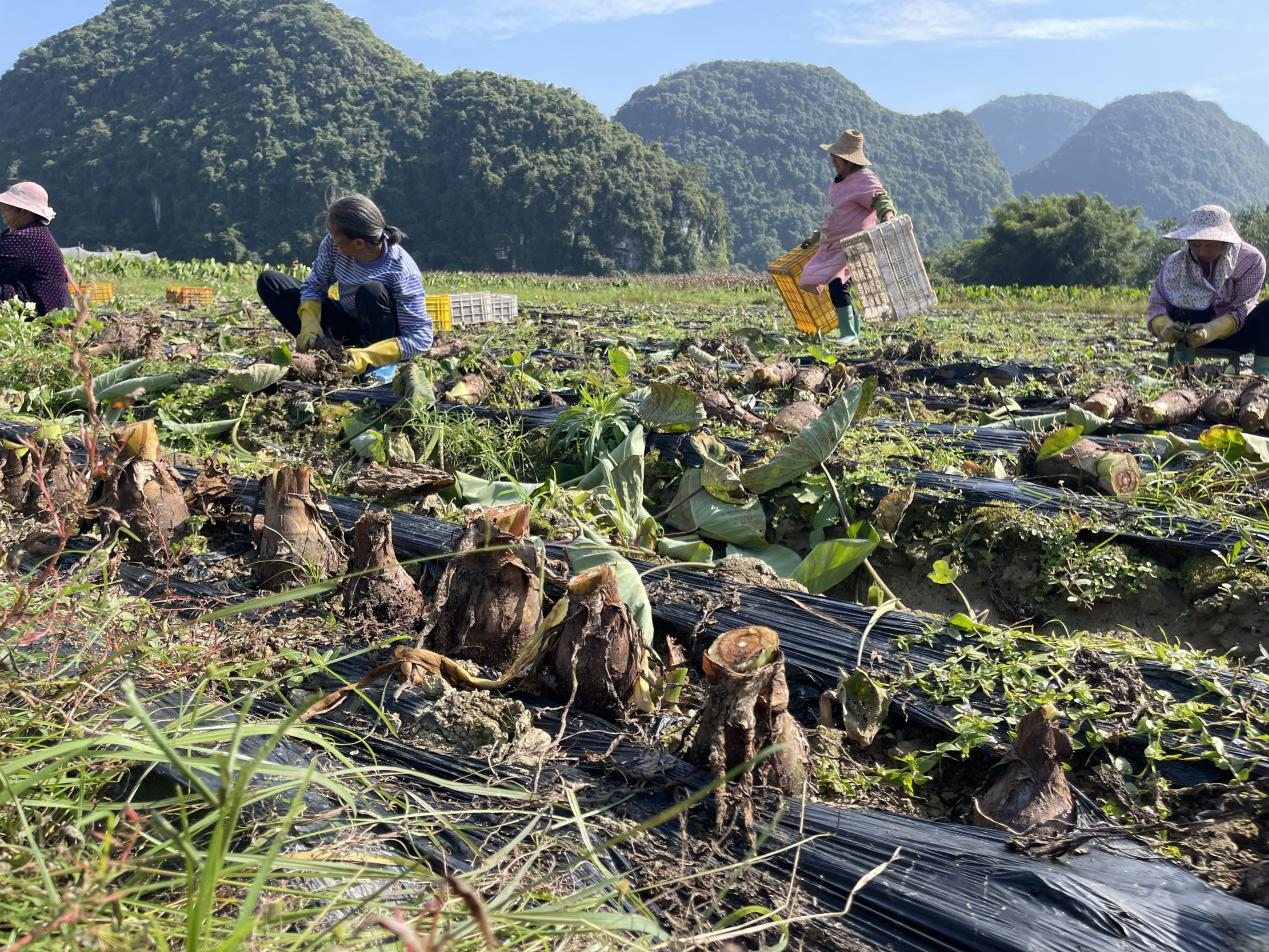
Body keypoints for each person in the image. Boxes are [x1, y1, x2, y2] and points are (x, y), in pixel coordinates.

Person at [257, 194, 431, 375]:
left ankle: (374, 367)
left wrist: (368, 355)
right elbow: (315, 285)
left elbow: (420, 338)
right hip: (348, 323)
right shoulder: (333, 245)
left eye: (337, 239)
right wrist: (309, 321)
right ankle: (321, 350)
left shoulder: (402, 271)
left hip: (379, 338)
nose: (332, 241)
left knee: (372, 291)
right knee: (271, 282)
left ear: (358, 243)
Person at [798, 129, 897, 343]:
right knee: (825, 281)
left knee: (837, 284)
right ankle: (852, 331)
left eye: (837, 157)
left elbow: (880, 198)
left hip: (853, 247)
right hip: (833, 247)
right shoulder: (839, 182)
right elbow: (834, 217)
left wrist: (888, 216)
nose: (833, 160)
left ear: (848, 160)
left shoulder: (864, 179)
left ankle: (849, 334)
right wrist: (815, 238)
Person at [1146, 204, 1268, 374]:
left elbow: (1243, 308)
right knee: (1185, 304)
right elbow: (1157, 304)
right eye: (1196, 245)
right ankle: (1182, 368)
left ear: (1225, 241)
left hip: (1237, 334)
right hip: (1187, 335)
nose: (1202, 251)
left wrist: (1210, 330)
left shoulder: (1251, 261)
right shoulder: (1176, 263)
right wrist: (1165, 326)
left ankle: (1263, 375)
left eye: (1209, 245)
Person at [0, 182, 72, 316]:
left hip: (46, 319)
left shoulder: (25, 238)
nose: (3, 210)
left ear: (24, 211)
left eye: (8, 207)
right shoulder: (27, 233)